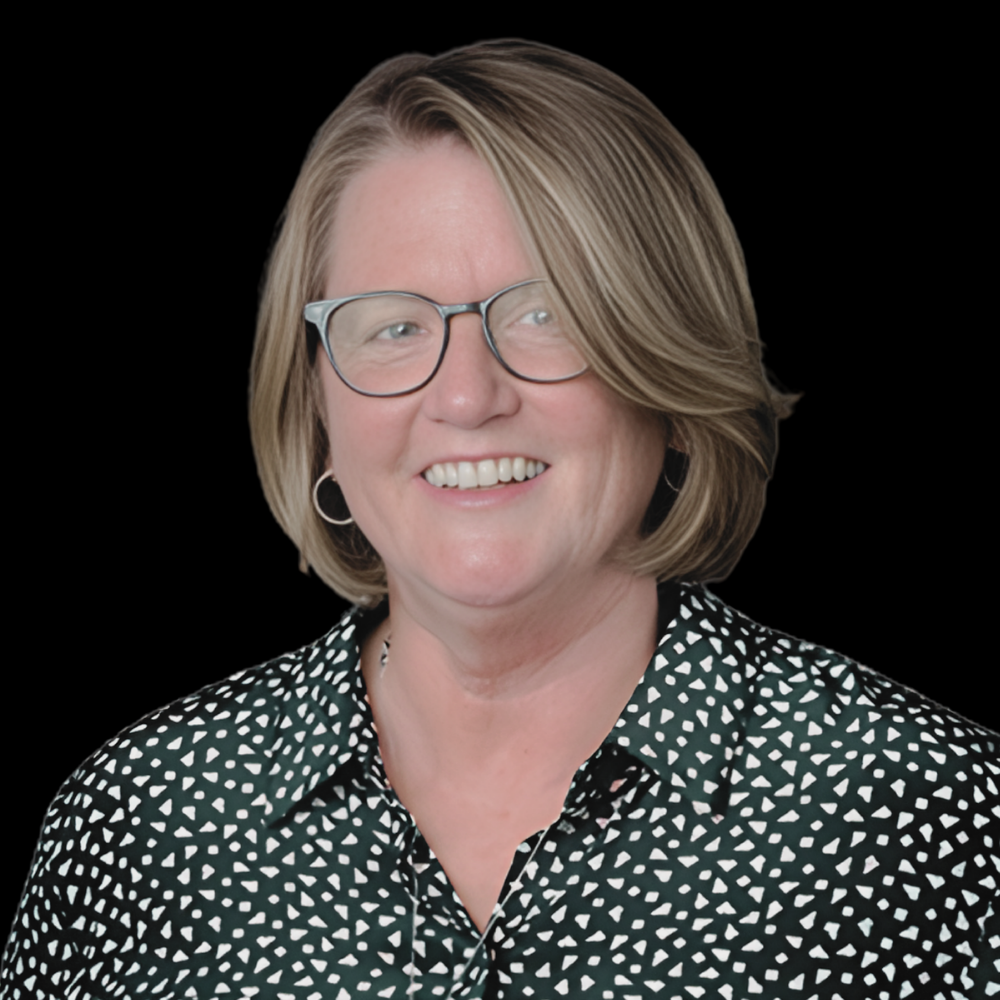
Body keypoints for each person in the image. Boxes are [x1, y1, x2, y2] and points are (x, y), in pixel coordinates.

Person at [3, 40, 997, 1000]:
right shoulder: (142, 822)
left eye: (545, 313)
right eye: (393, 327)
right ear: (319, 406)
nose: (467, 397)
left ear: (667, 369)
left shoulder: (918, 806)